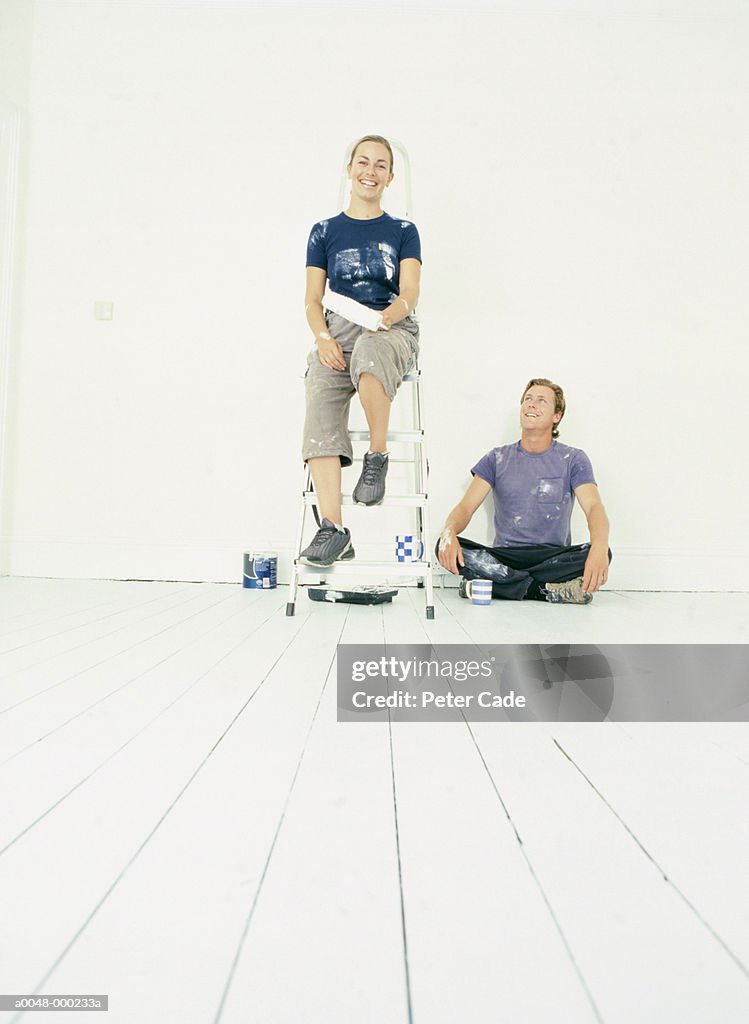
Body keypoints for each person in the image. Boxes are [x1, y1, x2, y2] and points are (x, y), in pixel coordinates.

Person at [299, 134, 422, 566]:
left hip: (389, 326)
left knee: (371, 351)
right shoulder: (325, 231)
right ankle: (333, 530)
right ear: (350, 169)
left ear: (391, 176)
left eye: (380, 165)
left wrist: (391, 313)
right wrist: (324, 339)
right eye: (363, 162)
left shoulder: (404, 231)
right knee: (319, 386)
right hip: (339, 329)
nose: (371, 171)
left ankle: (377, 455)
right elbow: (313, 301)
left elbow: (410, 292)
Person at [436, 378, 611, 604]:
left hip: (551, 558)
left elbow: (594, 507)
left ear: (556, 416)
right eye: (527, 399)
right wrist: (449, 532)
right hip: (506, 557)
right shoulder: (496, 458)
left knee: (603, 551)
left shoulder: (574, 459)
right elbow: (465, 507)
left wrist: (599, 546)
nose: (531, 404)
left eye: (541, 401)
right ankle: (543, 590)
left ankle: (495, 584)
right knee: (441, 544)